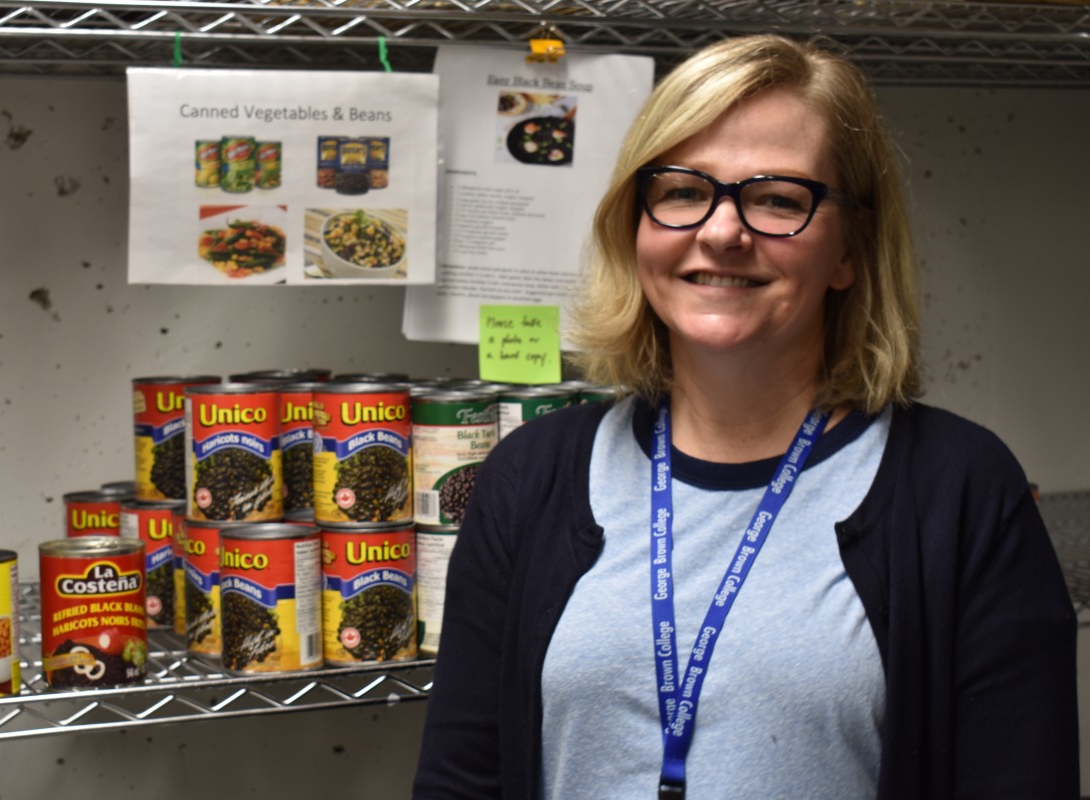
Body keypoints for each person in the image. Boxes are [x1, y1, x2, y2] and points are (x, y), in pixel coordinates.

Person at [413, 34, 1079, 800]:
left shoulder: (960, 490)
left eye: (777, 199)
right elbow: (461, 781)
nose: (722, 231)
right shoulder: (531, 476)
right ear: (635, 226)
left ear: (849, 251)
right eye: (683, 190)